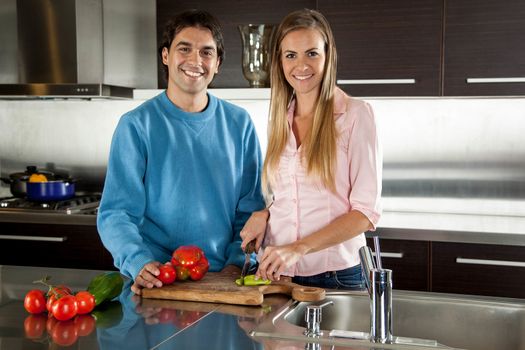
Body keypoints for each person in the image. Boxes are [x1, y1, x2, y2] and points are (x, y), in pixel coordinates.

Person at [97, 10, 265, 295]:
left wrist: (236, 264)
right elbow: (116, 213)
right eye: (184, 48)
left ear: (218, 63)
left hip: (225, 279)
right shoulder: (136, 126)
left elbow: (249, 211)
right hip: (158, 279)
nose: (195, 61)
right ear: (166, 56)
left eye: (206, 52)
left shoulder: (240, 124)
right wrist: (139, 262)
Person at [240, 9, 382, 290]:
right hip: (279, 273)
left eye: (312, 53)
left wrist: (299, 247)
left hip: (337, 276)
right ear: (279, 61)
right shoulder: (279, 119)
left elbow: (366, 214)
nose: (300, 65)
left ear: (328, 56)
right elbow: (289, 194)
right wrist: (265, 214)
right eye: (290, 55)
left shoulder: (356, 115)